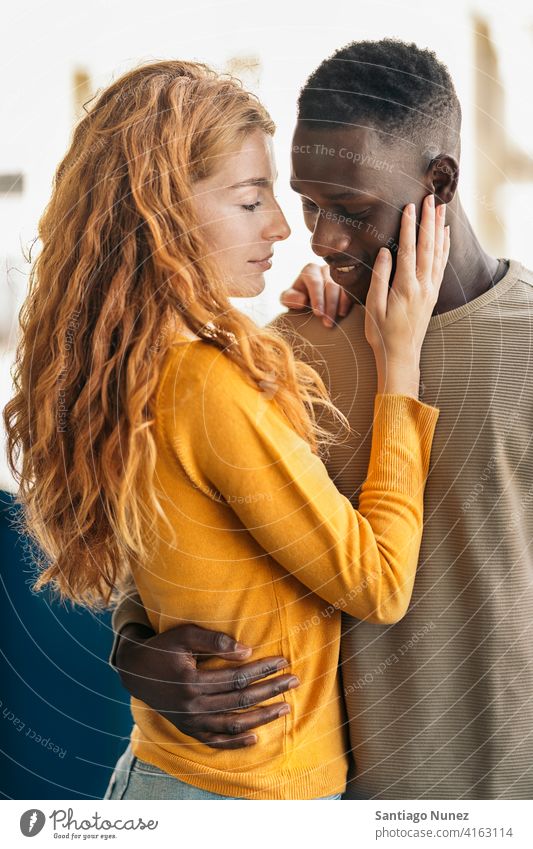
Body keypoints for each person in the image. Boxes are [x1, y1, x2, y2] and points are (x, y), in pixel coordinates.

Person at [3, 59, 447, 801]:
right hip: (239, 800)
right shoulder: (206, 384)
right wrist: (398, 363)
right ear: (163, 215)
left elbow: (197, 543)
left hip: (177, 782)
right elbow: (377, 583)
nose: (281, 225)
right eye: (249, 201)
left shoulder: (146, 365)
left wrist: (297, 329)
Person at [110, 40, 533, 800]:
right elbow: (183, 543)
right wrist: (134, 642)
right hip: (322, 801)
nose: (320, 238)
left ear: (438, 181)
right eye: (307, 202)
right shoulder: (287, 347)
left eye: (352, 210)